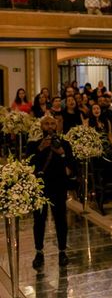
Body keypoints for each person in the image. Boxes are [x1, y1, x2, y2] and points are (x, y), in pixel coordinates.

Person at [27, 115, 73, 268]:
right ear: (41, 126)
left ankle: (62, 252)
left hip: (58, 186)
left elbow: (72, 165)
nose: (49, 126)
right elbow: (29, 164)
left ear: (57, 126)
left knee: (60, 220)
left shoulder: (65, 144)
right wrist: (41, 148)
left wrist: (62, 153)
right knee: (39, 221)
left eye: (52, 123)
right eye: (46, 124)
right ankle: (39, 252)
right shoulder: (33, 145)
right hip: (40, 187)